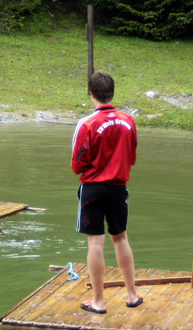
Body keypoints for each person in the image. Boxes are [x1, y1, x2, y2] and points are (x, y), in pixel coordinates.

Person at [71, 71, 142, 314]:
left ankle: (99, 302)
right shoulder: (128, 121)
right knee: (121, 237)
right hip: (118, 187)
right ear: (112, 92)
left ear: (91, 94)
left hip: (92, 187)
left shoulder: (87, 123)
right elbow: (131, 158)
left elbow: (76, 164)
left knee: (96, 242)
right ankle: (132, 295)